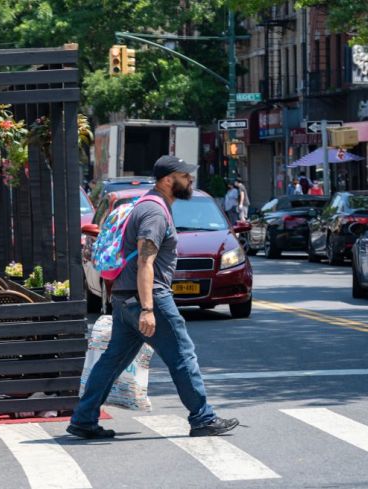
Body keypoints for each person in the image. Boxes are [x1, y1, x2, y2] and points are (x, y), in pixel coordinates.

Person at [67, 155, 239, 439]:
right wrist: (148, 309)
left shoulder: (148, 205)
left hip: (125, 298)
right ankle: (203, 417)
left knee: (112, 361)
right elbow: (146, 262)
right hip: (148, 297)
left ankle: (84, 419)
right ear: (168, 179)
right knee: (183, 355)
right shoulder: (154, 212)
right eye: (186, 176)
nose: (191, 180)